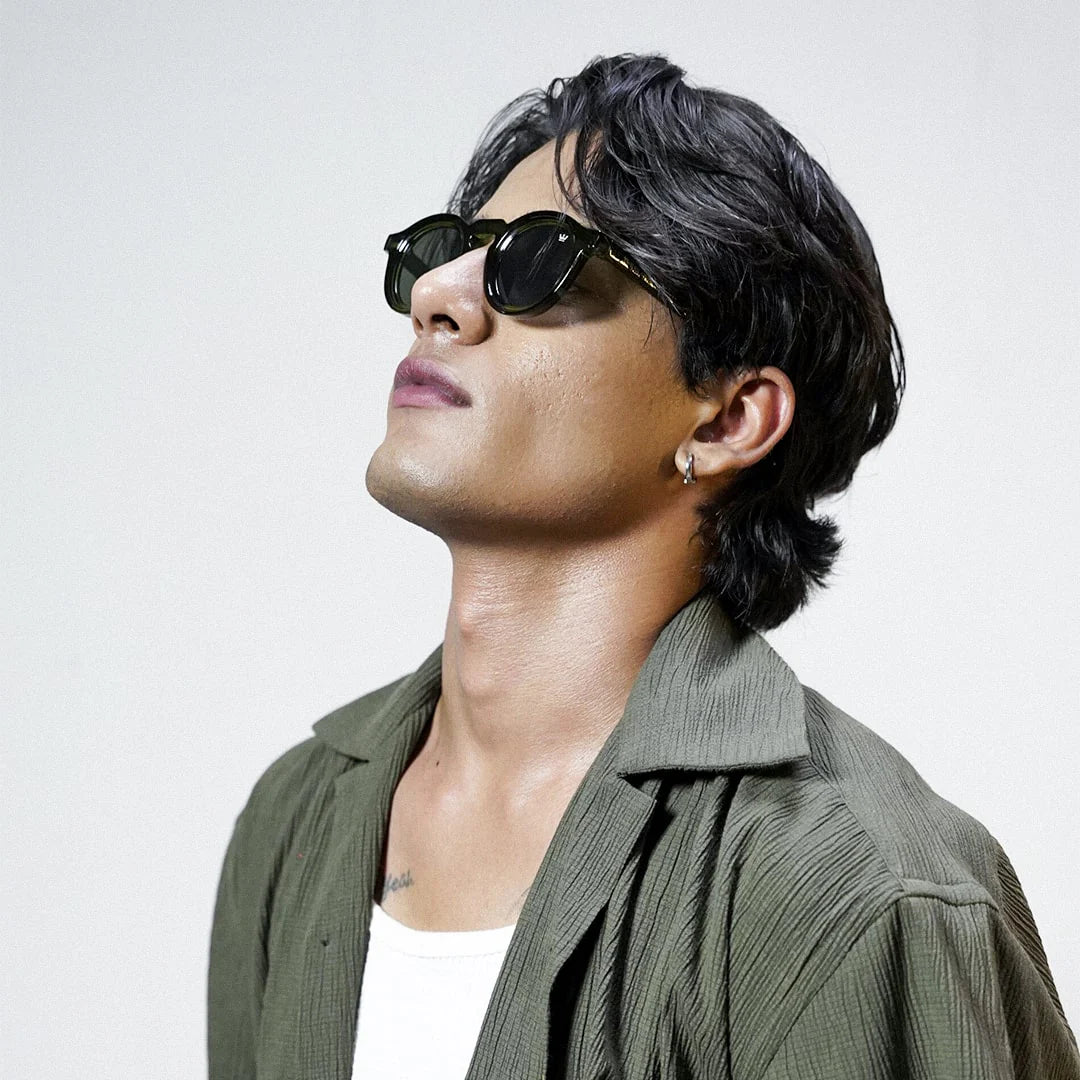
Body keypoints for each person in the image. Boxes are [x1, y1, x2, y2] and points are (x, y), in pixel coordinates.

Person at [207, 52, 1080, 1079]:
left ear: (729, 419)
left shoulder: (852, 894)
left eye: (537, 261)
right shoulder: (298, 818)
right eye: (449, 252)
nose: (438, 297)